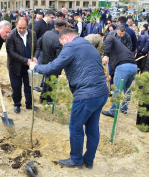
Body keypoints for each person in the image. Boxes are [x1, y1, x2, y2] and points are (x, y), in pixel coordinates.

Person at [29, 28, 108, 168]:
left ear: (65, 39)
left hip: (86, 94)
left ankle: (76, 160)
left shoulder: (71, 46)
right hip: (101, 92)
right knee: (92, 128)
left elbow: (53, 67)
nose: (63, 46)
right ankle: (88, 161)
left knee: (76, 127)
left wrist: (35, 67)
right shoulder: (88, 44)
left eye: (62, 44)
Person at [6, 17, 40, 113]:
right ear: (16, 25)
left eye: (23, 28)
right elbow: (11, 53)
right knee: (16, 87)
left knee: (29, 86)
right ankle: (17, 104)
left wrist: (35, 57)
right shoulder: (11, 35)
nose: (21, 30)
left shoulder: (32, 34)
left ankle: (29, 104)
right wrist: (26, 60)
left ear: (27, 26)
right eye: (19, 28)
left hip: (28, 67)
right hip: (15, 67)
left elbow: (37, 47)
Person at [102, 34, 137, 117]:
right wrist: (111, 75)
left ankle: (113, 112)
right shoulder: (120, 47)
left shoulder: (110, 38)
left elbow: (109, 39)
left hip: (123, 67)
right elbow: (116, 64)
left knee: (117, 90)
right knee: (127, 89)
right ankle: (124, 108)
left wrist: (106, 54)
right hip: (134, 66)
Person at [37, 19, 65, 104]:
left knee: (46, 80)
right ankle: (49, 100)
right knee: (51, 83)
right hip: (53, 64)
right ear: (62, 27)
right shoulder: (59, 39)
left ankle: (42, 98)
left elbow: (38, 43)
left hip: (45, 61)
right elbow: (59, 56)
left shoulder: (46, 33)